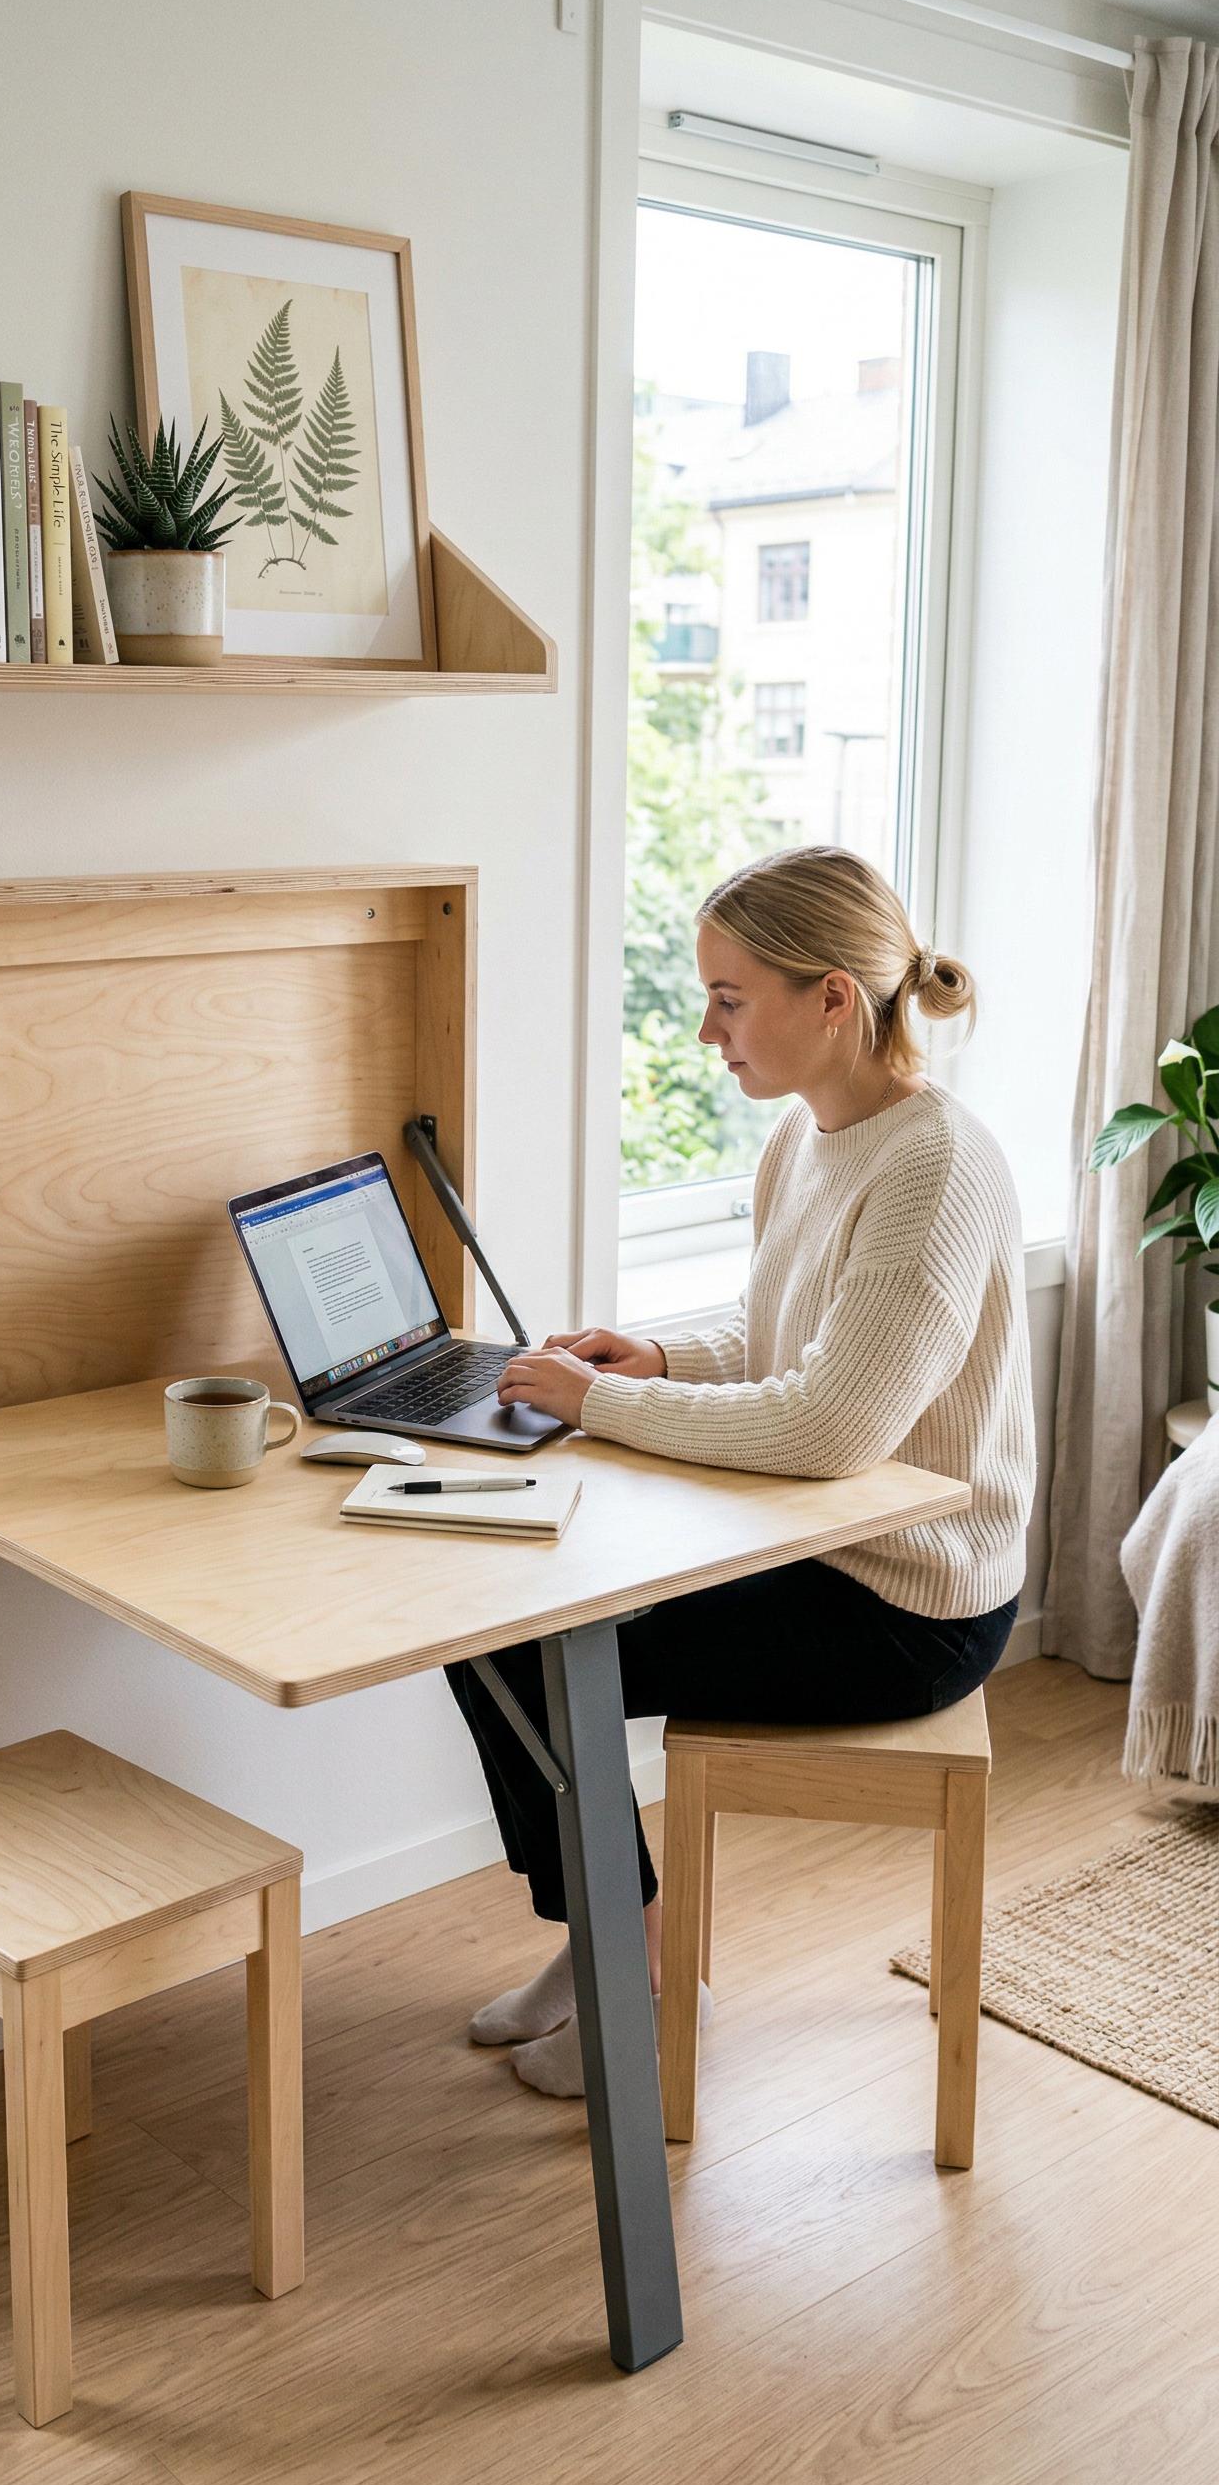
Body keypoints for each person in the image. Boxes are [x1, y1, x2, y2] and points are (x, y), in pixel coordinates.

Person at [446, 844, 1034, 2097]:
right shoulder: (809, 1137)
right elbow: (793, 1332)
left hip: (909, 1600)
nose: (707, 1028)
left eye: (729, 996)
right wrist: (655, 1352)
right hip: (823, 1551)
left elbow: (830, 1423)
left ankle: (646, 1982)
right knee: (494, 1630)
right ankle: (603, 1939)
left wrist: (605, 1401)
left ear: (831, 998)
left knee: (532, 1648)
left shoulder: (933, 1168)